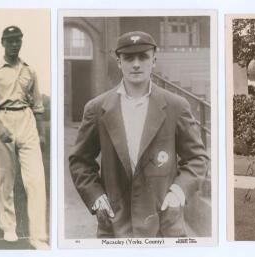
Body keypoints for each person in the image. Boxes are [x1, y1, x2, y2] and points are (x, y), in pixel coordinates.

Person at [69, 31, 209, 238]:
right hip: (115, 226)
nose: (136, 64)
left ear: (153, 60)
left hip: (164, 224)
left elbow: (197, 158)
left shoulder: (176, 106)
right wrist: (96, 197)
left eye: (143, 57)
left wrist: (178, 193)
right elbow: (80, 160)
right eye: (128, 58)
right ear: (118, 62)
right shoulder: (97, 108)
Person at [0, 25, 48, 249]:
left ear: (21, 41)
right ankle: (9, 227)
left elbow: (38, 106)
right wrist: (0, 129)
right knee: (4, 181)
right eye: (9, 40)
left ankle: (38, 236)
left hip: (26, 120)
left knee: (36, 181)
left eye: (17, 40)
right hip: (2, 120)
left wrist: (41, 133)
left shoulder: (30, 70)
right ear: (2, 42)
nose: (14, 44)